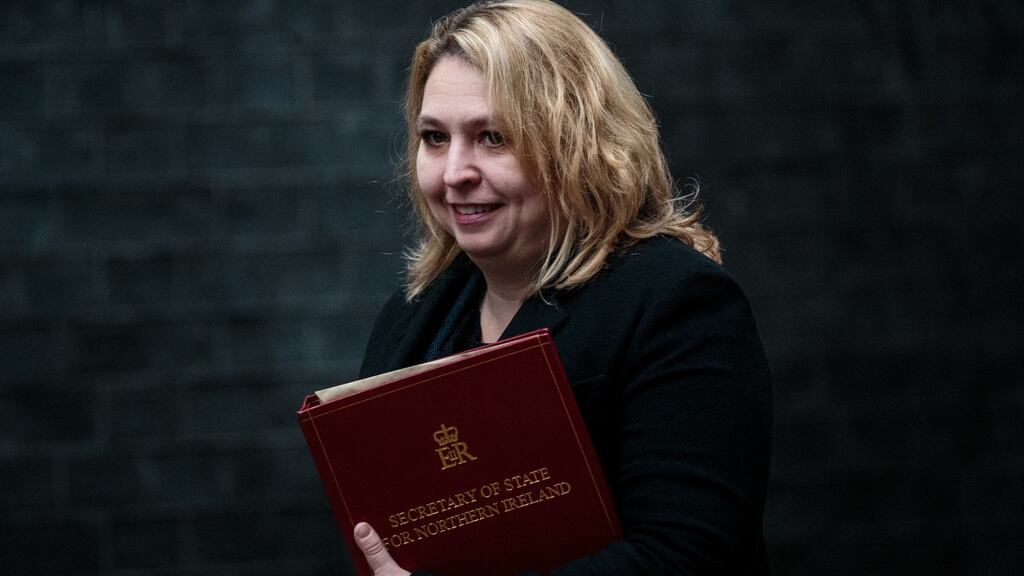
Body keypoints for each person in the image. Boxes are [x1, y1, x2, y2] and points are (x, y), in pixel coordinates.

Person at [352, 0, 772, 574]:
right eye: (434, 138)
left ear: (576, 142)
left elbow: (689, 556)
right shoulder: (411, 316)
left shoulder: (678, 303)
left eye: (493, 136)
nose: (454, 173)